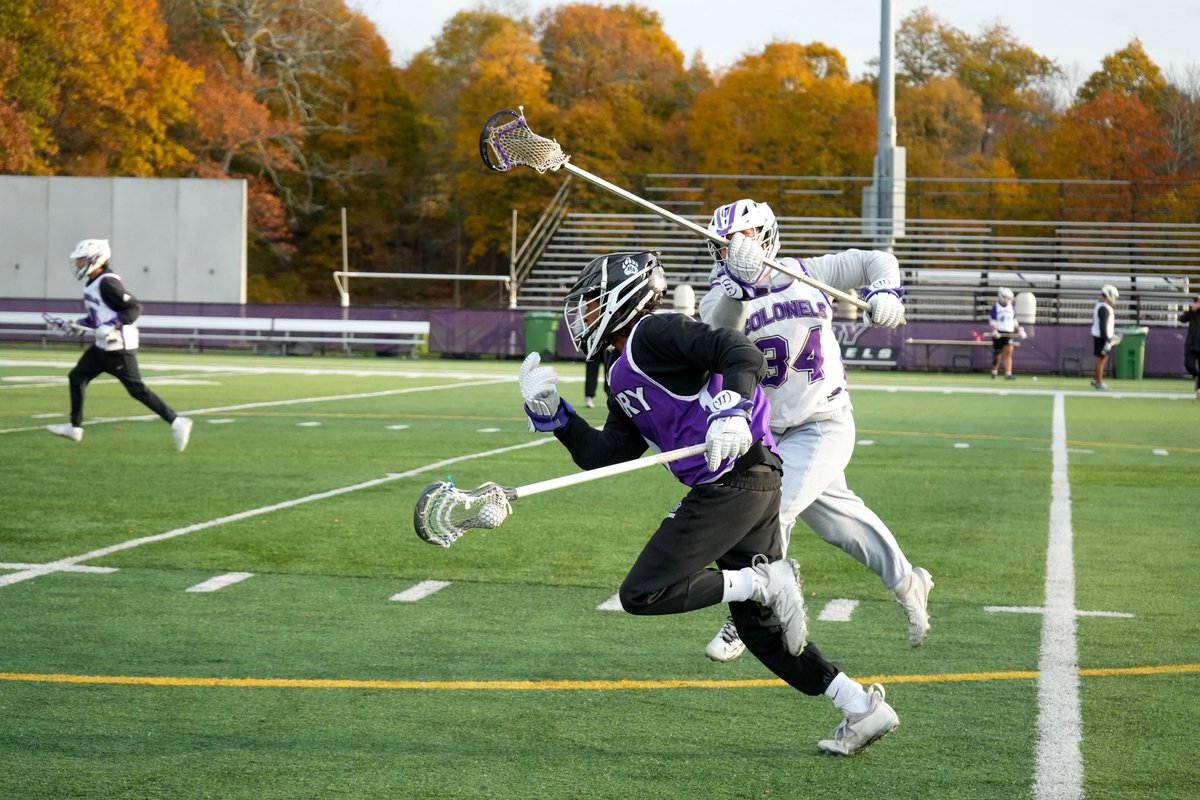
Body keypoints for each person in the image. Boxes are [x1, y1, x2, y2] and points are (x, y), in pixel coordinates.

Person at [518, 250, 899, 756]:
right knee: (761, 632)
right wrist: (559, 420)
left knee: (643, 593)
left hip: (734, 479)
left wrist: (733, 410)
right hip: (745, 484)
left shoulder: (654, 332)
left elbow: (741, 353)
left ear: (620, 298)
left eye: (589, 304)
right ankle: (859, 706)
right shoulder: (621, 366)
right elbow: (610, 453)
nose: (580, 316)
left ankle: (762, 581)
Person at [697, 198, 933, 663]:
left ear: (764, 237)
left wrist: (886, 291)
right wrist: (740, 286)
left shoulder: (808, 271)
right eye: (721, 247)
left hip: (823, 422)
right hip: (768, 433)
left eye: (737, 243)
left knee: (769, 510)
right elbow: (717, 335)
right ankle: (909, 581)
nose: (728, 253)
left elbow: (875, 259)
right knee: (843, 524)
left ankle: (749, 610)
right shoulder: (719, 294)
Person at [45, 239, 193, 451]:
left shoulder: (107, 282)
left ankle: (178, 421)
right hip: (101, 346)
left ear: (97, 260)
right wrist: (76, 325)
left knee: (137, 390)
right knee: (77, 377)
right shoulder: (92, 283)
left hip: (118, 347)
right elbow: (98, 317)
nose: (78, 265)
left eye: (82, 261)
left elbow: (134, 308)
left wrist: (113, 325)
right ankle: (74, 427)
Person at [988, 287, 1026, 379]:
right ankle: (994, 372)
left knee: (1008, 353)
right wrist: (995, 330)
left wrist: (1020, 329)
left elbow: (1014, 320)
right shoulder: (995, 307)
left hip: (1009, 333)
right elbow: (992, 321)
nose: (1008, 300)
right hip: (998, 333)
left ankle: (1008, 374)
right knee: (997, 354)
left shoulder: (1011, 308)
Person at [1091, 284, 1121, 390]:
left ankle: (1096, 379)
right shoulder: (1103, 308)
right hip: (1102, 337)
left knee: (1102, 359)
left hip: (1102, 337)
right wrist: (1107, 341)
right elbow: (1103, 325)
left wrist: (1110, 337)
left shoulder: (1101, 306)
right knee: (1102, 359)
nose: (1114, 299)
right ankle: (1099, 382)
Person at [1179, 296, 1200, 400]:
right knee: (1189, 364)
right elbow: (1182, 319)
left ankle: (1199, 391)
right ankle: (1196, 377)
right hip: (1191, 344)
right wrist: (1191, 311)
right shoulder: (1193, 313)